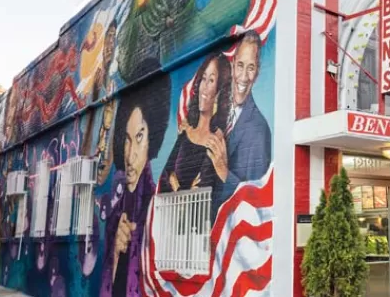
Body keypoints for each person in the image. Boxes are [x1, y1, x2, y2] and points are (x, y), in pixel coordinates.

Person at [100, 77, 170, 297]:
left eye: (139, 136)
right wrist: (115, 252)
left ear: (152, 138)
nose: (130, 155)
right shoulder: (117, 194)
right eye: (127, 139)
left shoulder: (155, 204)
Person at [205, 30, 272, 215]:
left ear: (257, 72)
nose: (243, 76)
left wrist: (222, 170)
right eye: (240, 65)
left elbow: (255, 201)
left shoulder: (259, 131)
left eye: (250, 68)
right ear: (233, 65)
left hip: (227, 231)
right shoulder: (216, 111)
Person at [159, 53, 231, 196]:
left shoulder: (215, 142)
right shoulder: (186, 132)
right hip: (171, 214)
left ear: (218, 92)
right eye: (203, 78)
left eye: (211, 80)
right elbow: (166, 174)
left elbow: (201, 190)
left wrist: (177, 185)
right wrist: (179, 188)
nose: (204, 87)